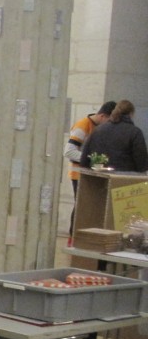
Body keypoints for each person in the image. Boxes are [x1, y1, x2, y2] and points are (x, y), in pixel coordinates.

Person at [64, 101, 115, 238]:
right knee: (80, 206)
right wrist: (92, 159)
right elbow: (69, 152)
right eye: (109, 121)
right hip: (78, 173)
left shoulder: (99, 128)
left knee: (87, 207)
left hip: (90, 173)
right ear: (103, 116)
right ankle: (73, 236)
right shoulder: (83, 126)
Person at [79, 99, 148, 173]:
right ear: (131, 114)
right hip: (124, 179)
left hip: (99, 179)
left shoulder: (98, 130)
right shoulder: (135, 132)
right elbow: (142, 163)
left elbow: (84, 160)